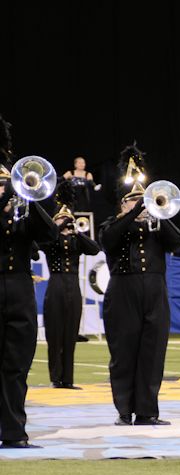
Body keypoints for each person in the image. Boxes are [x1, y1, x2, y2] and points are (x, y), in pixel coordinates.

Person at [99, 144, 180, 426]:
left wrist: (159, 216)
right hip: (123, 292)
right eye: (133, 201)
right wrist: (132, 213)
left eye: (143, 201)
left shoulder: (157, 227)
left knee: (153, 352)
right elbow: (109, 240)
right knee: (123, 352)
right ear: (123, 203)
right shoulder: (113, 224)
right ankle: (124, 410)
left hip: (155, 292)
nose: (140, 206)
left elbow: (178, 242)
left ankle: (148, 411)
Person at [0, 115, 58, 448]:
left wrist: (31, 200)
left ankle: (14, 432)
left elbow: (49, 235)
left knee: (17, 364)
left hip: (20, 289)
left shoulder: (23, 210)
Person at [42, 205, 100, 389]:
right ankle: (55, 378)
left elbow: (94, 249)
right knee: (55, 334)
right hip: (56, 284)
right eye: (62, 219)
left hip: (73, 284)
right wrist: (58, 228)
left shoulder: (76, 240)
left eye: (68, 220)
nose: (66, 223)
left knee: (70, 333)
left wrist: (77, 232)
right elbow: (43, 243)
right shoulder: (51, 238)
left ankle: (68, 379)